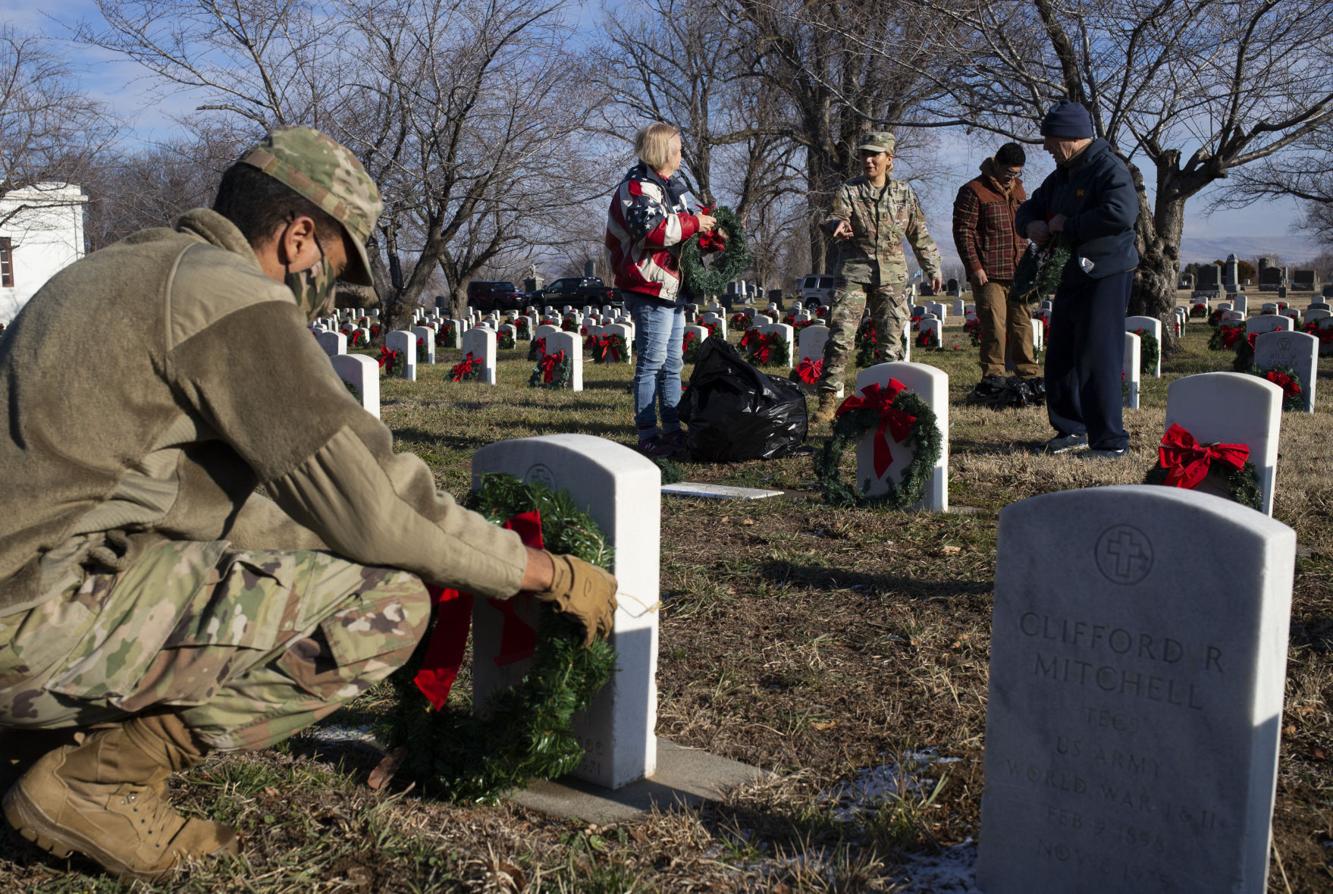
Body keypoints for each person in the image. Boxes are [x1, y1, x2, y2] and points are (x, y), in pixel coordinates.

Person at [0, 127, 618, 880]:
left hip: (28, 584)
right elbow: (374, 505)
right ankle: (99, 782)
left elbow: (208, 503)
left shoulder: (115, 270)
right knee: (383, 606)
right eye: (336, 267)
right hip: (26, 620)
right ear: (299, 238)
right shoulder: (224, 294)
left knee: (277, 560)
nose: (329, 289)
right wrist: (539, 571)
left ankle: (37, 744)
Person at [1015, 101, 1140, 457]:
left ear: (1069, 136)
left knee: (1097, 355)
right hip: (1071, 271)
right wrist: (1032, 225)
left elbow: (1121, 213)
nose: (1046, 147)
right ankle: (1072, 429)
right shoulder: (1063, 174)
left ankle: (1110, 441)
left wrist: (1069, 225)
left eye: (1050, 138)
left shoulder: (1107, 168)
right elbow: (1029, 208)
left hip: (1106, 271)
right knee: (1062, 355)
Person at [605, 122, 718, 459]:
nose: (682, 154)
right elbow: (652, 232)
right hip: (649, 284)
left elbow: (687, 232)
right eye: (678, 149)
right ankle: (647, 434)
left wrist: (711, 236)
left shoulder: (673, 188)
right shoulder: (637, 188)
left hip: (672, 286)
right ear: (663, 152)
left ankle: (671, 429)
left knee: (672, 363)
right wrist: (696, 224)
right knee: (651, 363)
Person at [813, 131, 942, 424]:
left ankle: (890, 399)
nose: (868, 160)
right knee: (841, 339)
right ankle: (827, 401)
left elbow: (918, 234)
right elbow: (835, 216)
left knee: (891, 341)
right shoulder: (849, 190)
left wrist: (933, 267)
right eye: (864, 155)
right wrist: (837, 225)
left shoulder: (903, 193)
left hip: (892, 276)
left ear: (889, 160)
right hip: (854, 272)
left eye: (875, 155)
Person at [953, 142, 1038, 397]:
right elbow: (963, 232)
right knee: (994, 324)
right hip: (988, 272)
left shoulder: (1019, 190)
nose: (1013, 178)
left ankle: (1028, 374)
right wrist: (974, 266)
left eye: (1017, 173)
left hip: (1019, 269)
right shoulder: (973, 190)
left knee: (1022, 323)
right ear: (996, 164)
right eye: (1009, 172)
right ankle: (994, 376)